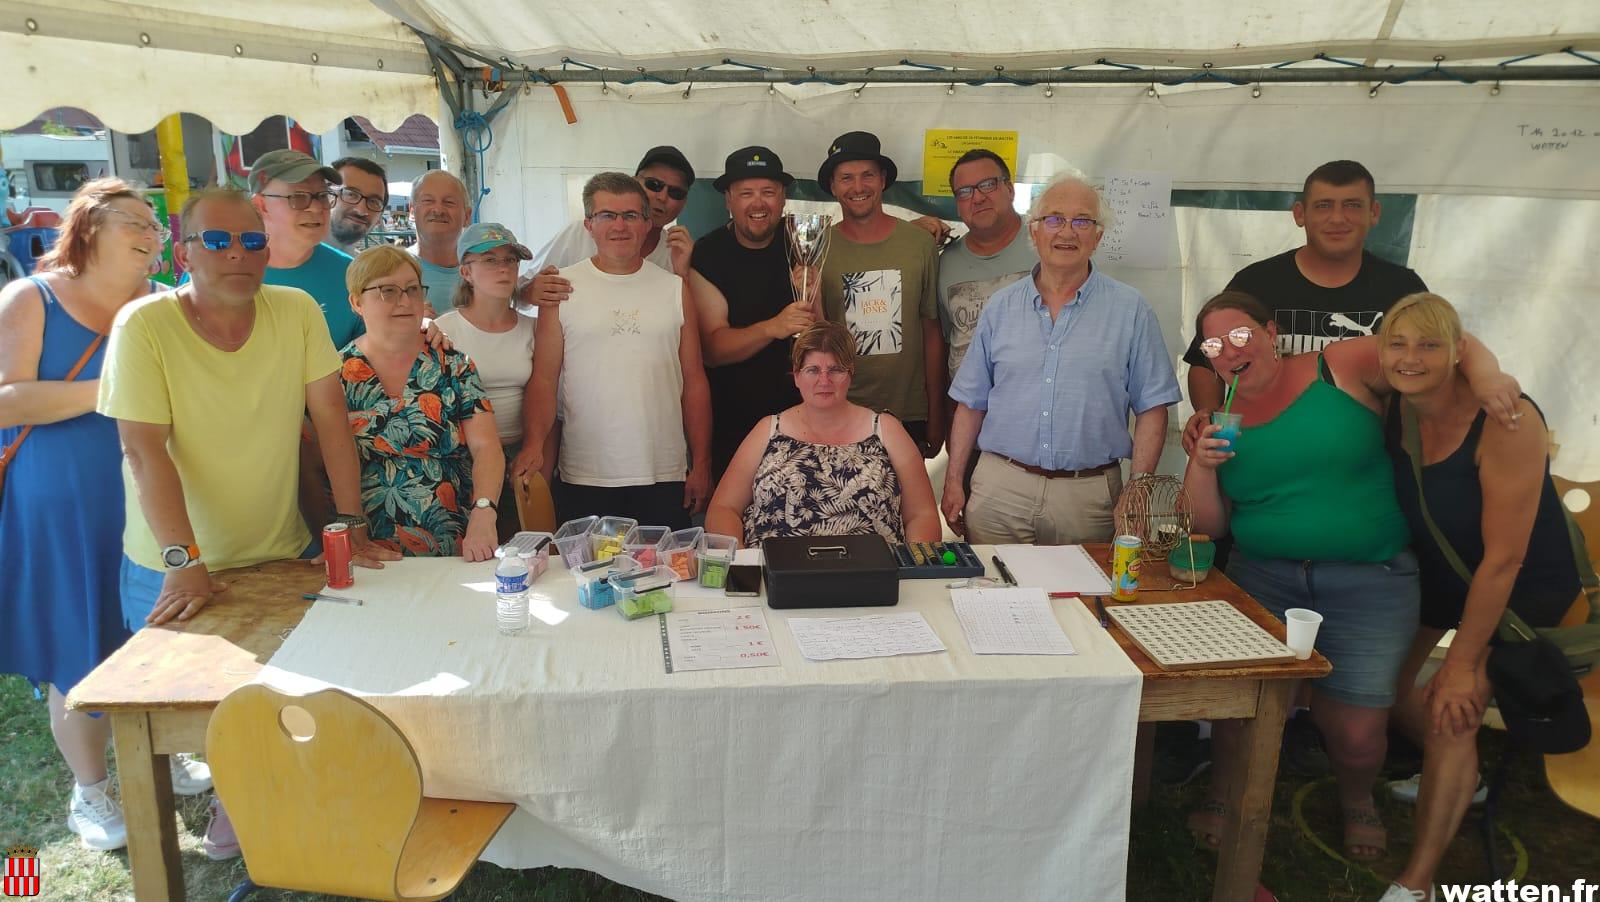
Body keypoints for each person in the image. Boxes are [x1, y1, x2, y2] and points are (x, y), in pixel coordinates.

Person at [98, 187, 399, 859]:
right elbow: (143, 451)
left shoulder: (295, 310)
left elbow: (330, 420)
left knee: (284, 695)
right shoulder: (144, 324)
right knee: (193, 709)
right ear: (184, 253)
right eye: (218, 240)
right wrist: (185, 560)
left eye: (251, 241)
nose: (237, 253)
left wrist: (348, 520)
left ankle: (268, 798)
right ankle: (232, 800)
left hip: (276, 548)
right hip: (172, 561)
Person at [1181, 290, 1519, 862]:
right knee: (1243, 707)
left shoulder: (1336, 366)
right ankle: (1223, 793)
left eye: (1241, 335)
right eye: (1214, 346)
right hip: (1262, 577)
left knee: (1357, 728)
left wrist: (1488, 377)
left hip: (1370, 579)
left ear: (1271, 332)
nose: (1230, 352)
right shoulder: (1219, 421)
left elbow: (1434, 349)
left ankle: (1357, 797)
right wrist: (1202, 466)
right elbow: (1207, 525)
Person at [0, 178, 209, 852]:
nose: (151, 235)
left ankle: (168, 748)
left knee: (159, 630)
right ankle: (90, 790)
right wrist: (115, 388)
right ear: (89, 225)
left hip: (147, 496)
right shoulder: (30, 298)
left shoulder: (164, 302)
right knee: (79, 642)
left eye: (156, 226)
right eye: (135, 222)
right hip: (61, 502)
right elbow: (6, 400)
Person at [1376, 293, 1579, 902]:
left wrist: (1463, 663)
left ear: (1457, 352)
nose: (1410, 357)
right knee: (1385, 688)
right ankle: (1466, 779)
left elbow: (1505, 560)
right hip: (1443, 572)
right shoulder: (1399, 396)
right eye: (1398, 344)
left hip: (1518, 588)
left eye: (1429, 346)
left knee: (1451, 709)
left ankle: (1416, 882)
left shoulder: (1506, 420)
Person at [942, 173, 1180, 545]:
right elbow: (971, 403)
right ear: (1034, 231)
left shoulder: (1131, 310)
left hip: (1088, 497)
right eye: (1054, 219)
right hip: (1000, 490)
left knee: (1086, 585)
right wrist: (954, 480)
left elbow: (1152, 407)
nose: (1067, 232)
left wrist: (1138, 490)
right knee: (993, 582)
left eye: (1082, 221)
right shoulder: (1000, 307)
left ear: (1098, 236)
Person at [1183, 160, 1427, 449]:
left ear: (1374, 213)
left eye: (1352, 205)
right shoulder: (1256, 283)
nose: (1338, 218)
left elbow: (1436, 364)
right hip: (1268, 453)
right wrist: (1210, 417)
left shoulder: (1403, 289)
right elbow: (1205, 362)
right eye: (1323, 206)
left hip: (1368, 456)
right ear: (1300, 214)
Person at [516, 172, 712, 529]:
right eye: (607, 215)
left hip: (663, 471)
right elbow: (544, 380)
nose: (619, 226)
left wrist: (701, 462)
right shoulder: (561, 289)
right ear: (589, 224)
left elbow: (694, 381)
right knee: (588, 566)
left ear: (647, 224)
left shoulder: (674, 289)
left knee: (663, 566)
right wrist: (533, 444)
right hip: (585, 472)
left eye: (631, 215)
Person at [706, 321, 940, 547]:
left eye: (835, 370)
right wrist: (742, 561)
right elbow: (723, 509)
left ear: (850, 373)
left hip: (874, 571)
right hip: (773, 571)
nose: (824, 381)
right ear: (796, 376)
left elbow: (922, 514)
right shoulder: (767, 430)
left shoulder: (886, 430)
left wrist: (912, 565)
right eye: (813, 370)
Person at [340, 246, 503, 560]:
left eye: (412, 289)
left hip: (455, 540)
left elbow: (486, 447)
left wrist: (484, 512)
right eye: (388, 291)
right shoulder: (336, 373)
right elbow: (315, 464)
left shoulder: (453, 364)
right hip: (366, 548)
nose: (404, 301)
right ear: (357, 302)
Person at [816, 131, 945, 457]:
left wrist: (936, 413)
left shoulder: (920, 244)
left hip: (907, 412)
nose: (858, 187)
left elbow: (932, 332)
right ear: (833, 186)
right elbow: (815, 336)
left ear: (883, 180)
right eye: (846, 178)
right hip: (840, 410)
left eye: (868, 175)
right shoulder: (817, 249)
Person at [689, 145, 807, 480]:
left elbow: (822, 333)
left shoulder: (802, 241)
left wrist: (814, 293)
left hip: (800, 421)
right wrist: (774, 327)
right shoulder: (708, 253)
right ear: (728, 200)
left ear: (782, 198)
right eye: (746, 193)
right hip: (731, 422)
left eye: (768, 192)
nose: (758, 203)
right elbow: (712, 349)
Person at [433, 222, 537, 539]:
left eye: (510, 260)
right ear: (466, 272)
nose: (503, 268)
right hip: (463, 460)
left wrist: (535, 451)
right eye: (490, 260)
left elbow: (548, 395)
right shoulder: (443, 329)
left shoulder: (533, 328)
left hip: (521, 458)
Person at [246, 149, 363, 347]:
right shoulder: (216, 274)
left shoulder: (354, 275)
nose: (317, 208)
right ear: (260, 205)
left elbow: (372, 355)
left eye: (323, 195)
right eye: (298, 197)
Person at [938, 149, 1034, 381]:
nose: (978, 198)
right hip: (968, 401)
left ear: (1010, 189)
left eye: (988, 185)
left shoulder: (1047, 245)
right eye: (965, 191)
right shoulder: (944, 262)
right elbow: (945, 345)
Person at [408, 170, 471, 306]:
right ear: (412, 211)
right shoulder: (389, 269)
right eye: (428, 201)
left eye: (449, 202)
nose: (438, 210)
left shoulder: (484, 271)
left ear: (467, 216)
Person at [328, 156, 388, 255]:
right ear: (326, 195)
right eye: (351, 194)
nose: (361, 210)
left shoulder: (358, 263)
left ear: (379, 218)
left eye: (374, 202)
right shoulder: (300, 257)